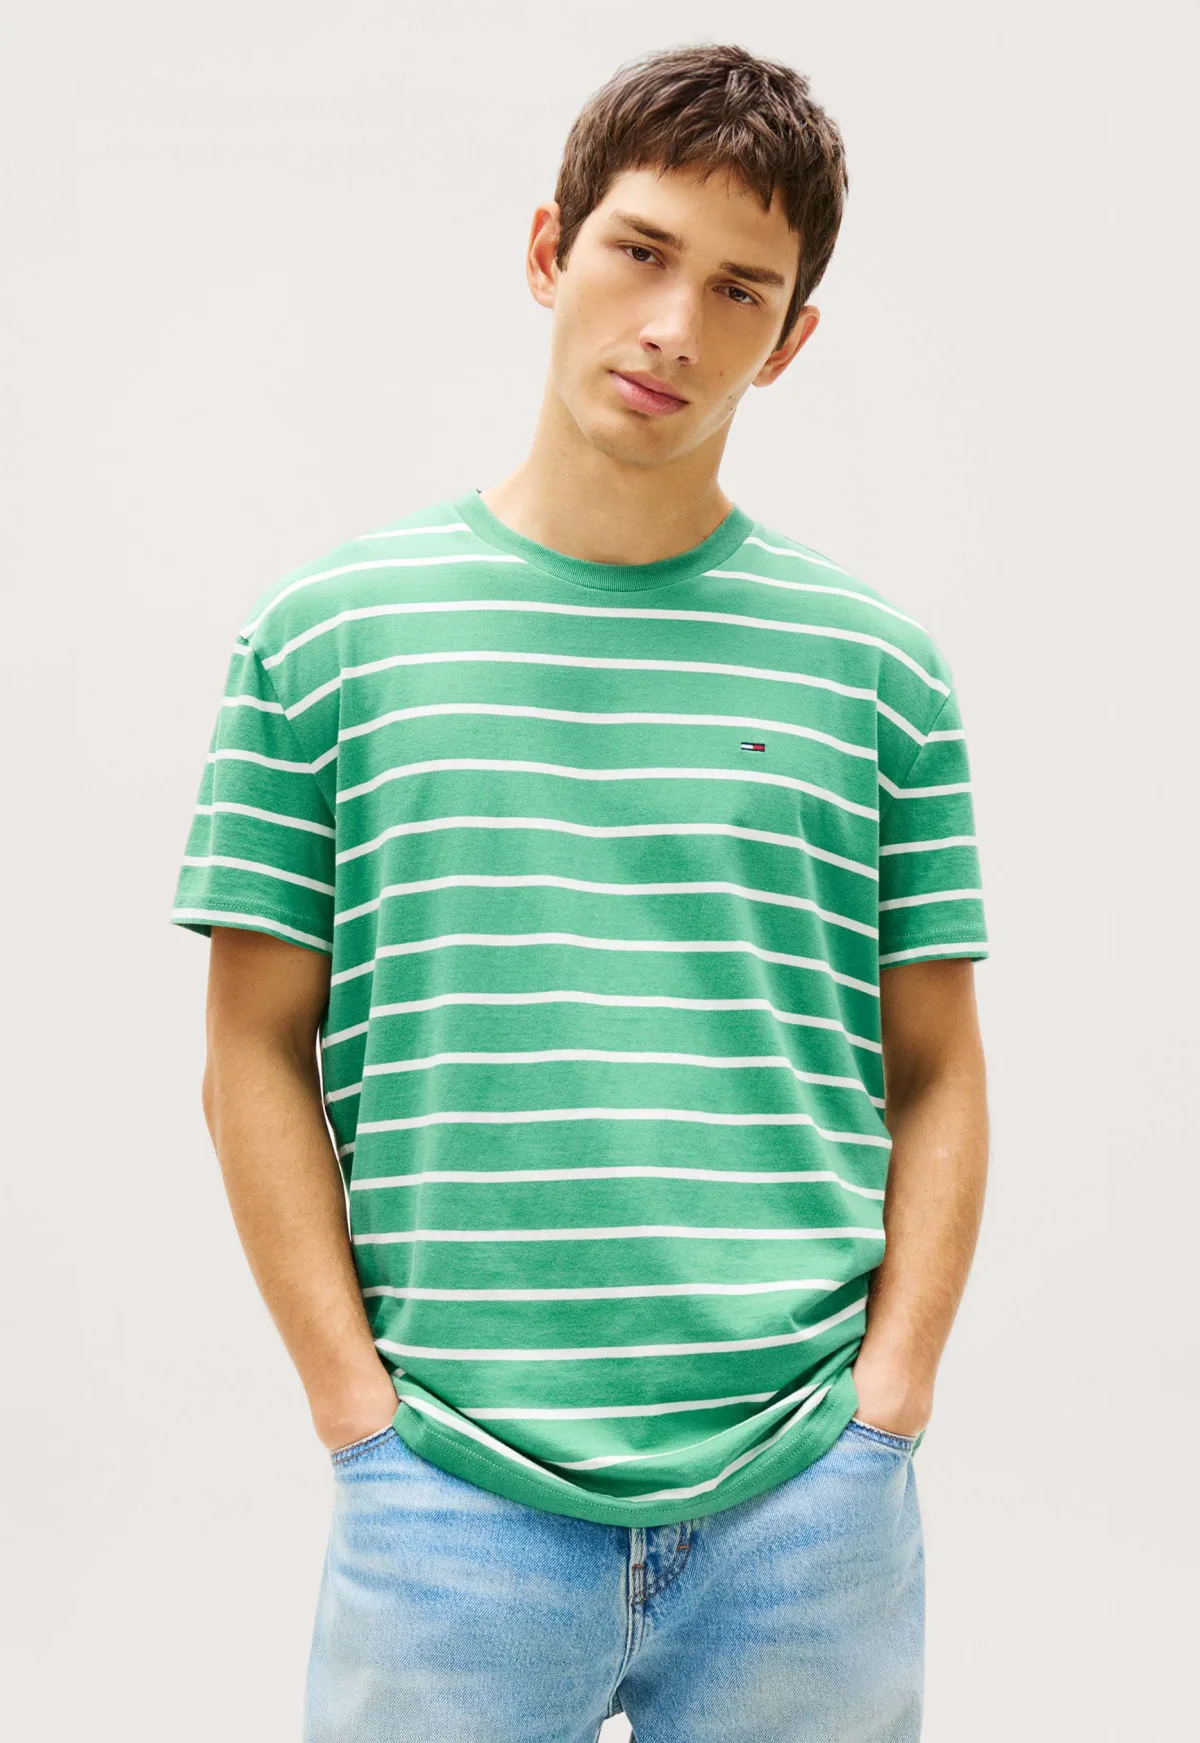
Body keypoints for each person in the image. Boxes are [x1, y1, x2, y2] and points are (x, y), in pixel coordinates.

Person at [171, 39, 990, 1743]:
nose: (674, 326)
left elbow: (937, 1066)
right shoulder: (328, 639)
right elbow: (252, 1045)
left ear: (792, 338)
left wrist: (888, 1405)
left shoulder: (879, 672)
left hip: (805, 1503)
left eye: (740, 289)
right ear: (550, 249)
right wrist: (356, 1411)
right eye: (641, 251)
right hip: (447, 1492)